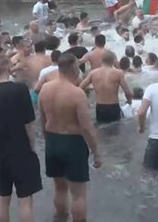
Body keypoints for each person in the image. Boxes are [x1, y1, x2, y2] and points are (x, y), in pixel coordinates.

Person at [0, 54, 41, 222]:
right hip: (21, 149)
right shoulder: (20, 89)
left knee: (3, 198)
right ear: (9, 68)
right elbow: (29, 124)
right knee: (25, 200)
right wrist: (32, 147)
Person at [38, 54, 102, 222]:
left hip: (52, 141)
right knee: (78, 195)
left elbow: (42, 119)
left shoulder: (45, 89)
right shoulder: (77, 93)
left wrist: (48, 141)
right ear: (74, 68)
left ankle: (60, 218)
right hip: (72, 144)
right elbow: (87, 127)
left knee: (59, 188)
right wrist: (96, 153)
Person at [78, 52, 133, 123]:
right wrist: (129, 102)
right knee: (116, 130)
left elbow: (80, 88)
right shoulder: (118, 73)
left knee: (101, 130)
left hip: (100, 107)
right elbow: (128, 93)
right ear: (113, 61)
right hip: (113, 107)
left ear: (102, 60)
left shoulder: (93, 73)